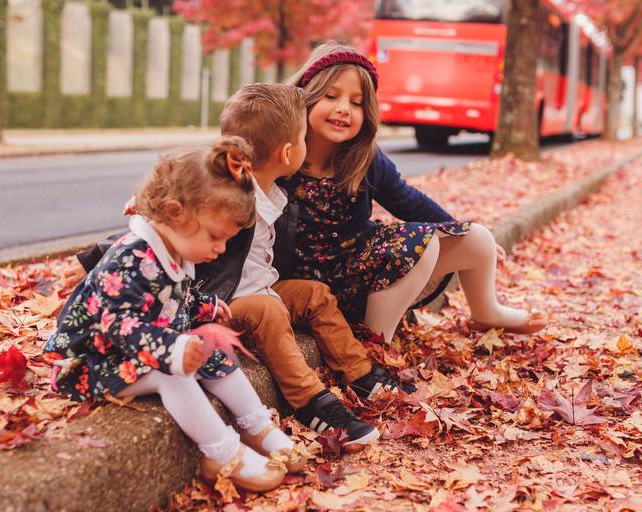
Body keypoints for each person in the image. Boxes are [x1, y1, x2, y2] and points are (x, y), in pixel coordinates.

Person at [69, 83, 415, 455]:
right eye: (302, 138)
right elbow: (164, 228)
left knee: (314, 294)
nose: (306, 144)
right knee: (269, 311)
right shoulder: (230, 200)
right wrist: (91, 259)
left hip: (263, 287)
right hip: (221, 302)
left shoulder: (275, 188)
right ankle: (311, 402)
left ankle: (361, 373)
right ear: (287, 153)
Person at [43, 137, 299, 493]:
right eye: (215, 236)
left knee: (214, 351)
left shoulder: (173, 250)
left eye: (225, 240)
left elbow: (171, 295)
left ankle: (256, 425)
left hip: (138, 351)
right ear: (176, 211)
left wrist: (203, 307)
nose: (220, 248)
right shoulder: (129, 260)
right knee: (174, 375)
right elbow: (119, 324)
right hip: (91, 361)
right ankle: (221, 453)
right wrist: (172, 350)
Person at [277, 41, 546, 346]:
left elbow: (408, 201)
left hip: (357, 272)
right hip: (304, 284)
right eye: (331, 96)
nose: (343, 109)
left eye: (356, 103)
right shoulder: (281, 156)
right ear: (307, 96)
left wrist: (455, 227)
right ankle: (375, 344)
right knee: (422, 243)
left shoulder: (364, 158)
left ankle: (486, 312)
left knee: (478, 238)